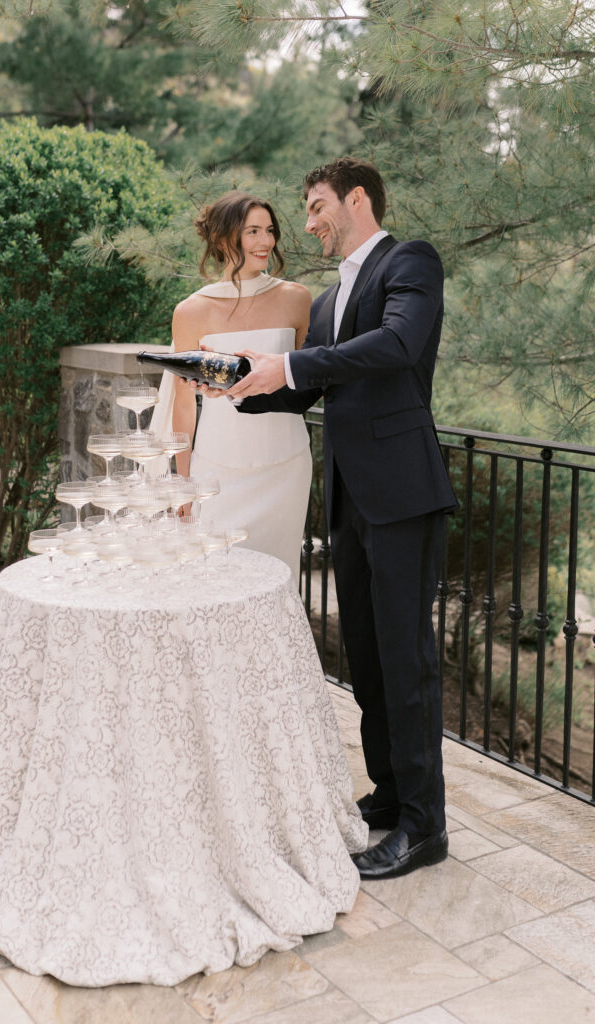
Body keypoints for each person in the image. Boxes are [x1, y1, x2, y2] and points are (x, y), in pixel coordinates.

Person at [216, 157, 458, 880]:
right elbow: (307, 387)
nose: (310, 221)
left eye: (318, 206)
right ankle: (390, 794)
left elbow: (396, 346)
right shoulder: (326, 302)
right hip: (350, 501)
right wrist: (232, 386)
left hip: (405, 495)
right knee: (370, 660)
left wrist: (290, 367)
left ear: (357, 200)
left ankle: (424, 827)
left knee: (408, 662)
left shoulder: (409, 263)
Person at [164, 190, 313, 584]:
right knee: (215, 583)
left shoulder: (297, 299)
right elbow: (183, 403)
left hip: (286, 465)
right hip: (217, 472)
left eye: (269, 230)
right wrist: (182, 483)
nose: (266, 241)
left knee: (279, 581)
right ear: (222, 239)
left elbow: (307, 383)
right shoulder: (191, 310)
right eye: (252, 232)